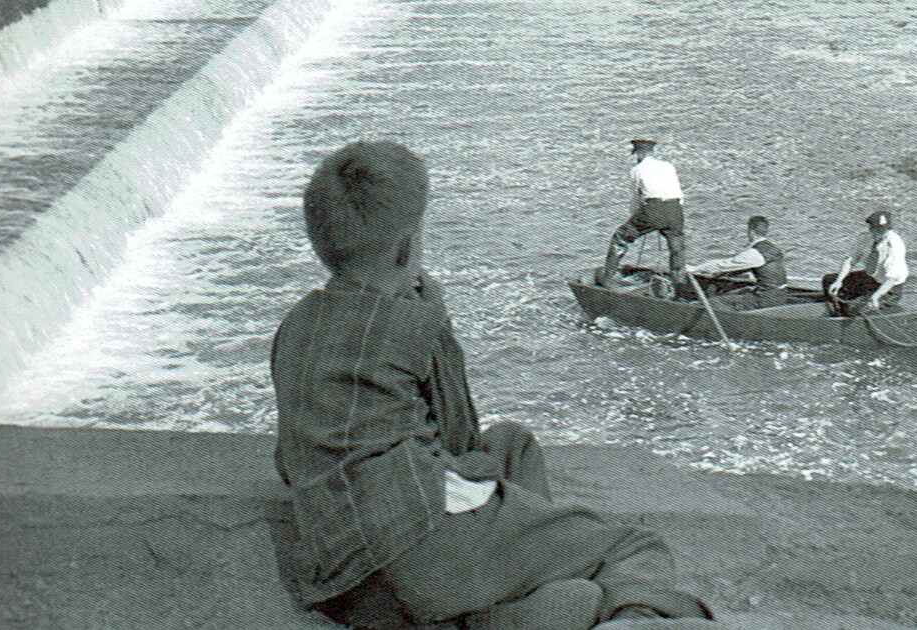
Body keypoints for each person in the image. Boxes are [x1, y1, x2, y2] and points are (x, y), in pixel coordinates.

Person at [270, 141, 712, 630]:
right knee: (633, 547)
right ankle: (616, 616)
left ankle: (510, 595)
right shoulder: (414, 321)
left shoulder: (295, 325)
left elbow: (290, 460)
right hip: (425, 549)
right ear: (406, 246)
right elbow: (459, 437)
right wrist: (437, 320)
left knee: (512, 445)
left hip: (346, 582)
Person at [594, 139, 687, 291]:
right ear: (652, 152)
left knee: (620, 237)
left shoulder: (637, 170)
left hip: (654, 208)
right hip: (675, 208)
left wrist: (637, 217)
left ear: (638, 154)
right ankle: (680, 285)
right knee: (677, 248)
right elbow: (678, 193)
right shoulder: (668, 166)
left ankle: (607, 279)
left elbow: (635, 199)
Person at [685, 215, 789, 306]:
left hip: (765, 298)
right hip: (781, 294)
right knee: (734, 292)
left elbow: (722, 265)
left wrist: (695, 269)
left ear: (750, 231)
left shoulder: (755, 253)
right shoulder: (773, 248)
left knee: (714, 301)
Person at [823, 209, 904, 313]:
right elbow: (850, 260)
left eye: (883, 230)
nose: (879, 233)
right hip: (870, 279)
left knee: (851, 308)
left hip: (889, 287)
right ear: (870, 227)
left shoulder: (894, 245)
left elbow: (892, 279)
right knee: (828, 280)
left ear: (888, 229)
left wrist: (876, 296)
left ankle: (857, 311)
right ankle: (833, 311)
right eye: (875, 229)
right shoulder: (864, 238)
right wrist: (839, 281)